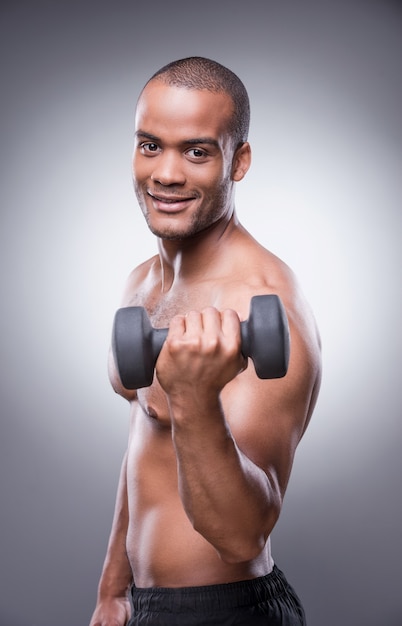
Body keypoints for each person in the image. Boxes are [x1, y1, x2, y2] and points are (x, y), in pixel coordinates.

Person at [89, 56, 321, 626]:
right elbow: (145, 438)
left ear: (238, 161)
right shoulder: (143, 280)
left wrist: (194, 398)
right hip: (144, 606)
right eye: (150, 145)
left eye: (197, 151)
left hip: (226, 612)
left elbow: (242, 535)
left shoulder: (263, 302)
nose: (166, 173)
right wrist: (114, 588)